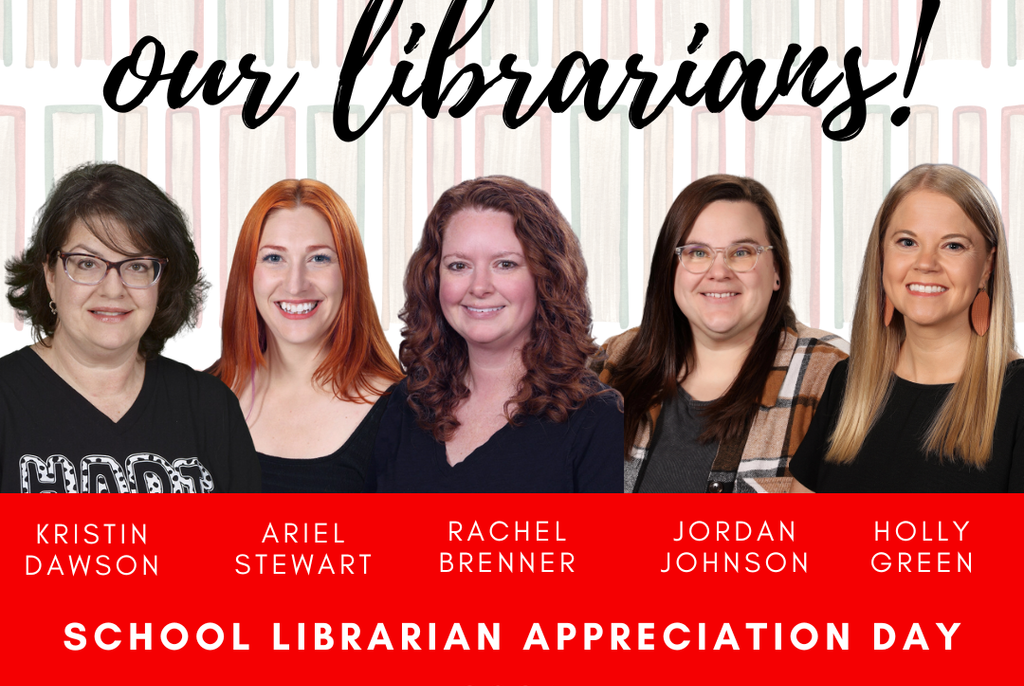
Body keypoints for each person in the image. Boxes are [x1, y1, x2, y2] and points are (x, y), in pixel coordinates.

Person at [1, 162, 259, 493]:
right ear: (50, 276)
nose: (113, 289)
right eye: (87, 263)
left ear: (162, 282)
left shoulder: (210, 408)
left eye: (137, 265)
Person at [595, 175, 848, 493]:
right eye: (697, 253)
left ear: (777, 271)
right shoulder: (614, 362)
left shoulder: (830, 373)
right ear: (669, 269)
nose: (719, 271)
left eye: (741, 252)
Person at [369, 175, 622, 492]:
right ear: (434, 279)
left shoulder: (598, 420)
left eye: (505, 264)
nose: (479, 287)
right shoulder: (403, 406)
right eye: (459, 266)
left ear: (545, 277)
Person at [790, 164, 1023, 492]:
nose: (926, 263)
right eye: (907, 242)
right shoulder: (848, 383)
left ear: (987, 265)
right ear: (882, 255)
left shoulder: (1017, 399)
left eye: (952, 245)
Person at [213, 179, 402, 493]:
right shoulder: (194, 401)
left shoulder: (404, 415)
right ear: (248, 272)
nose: (296, 284)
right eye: (274, 258)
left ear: (348, 273)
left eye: (319, 258)